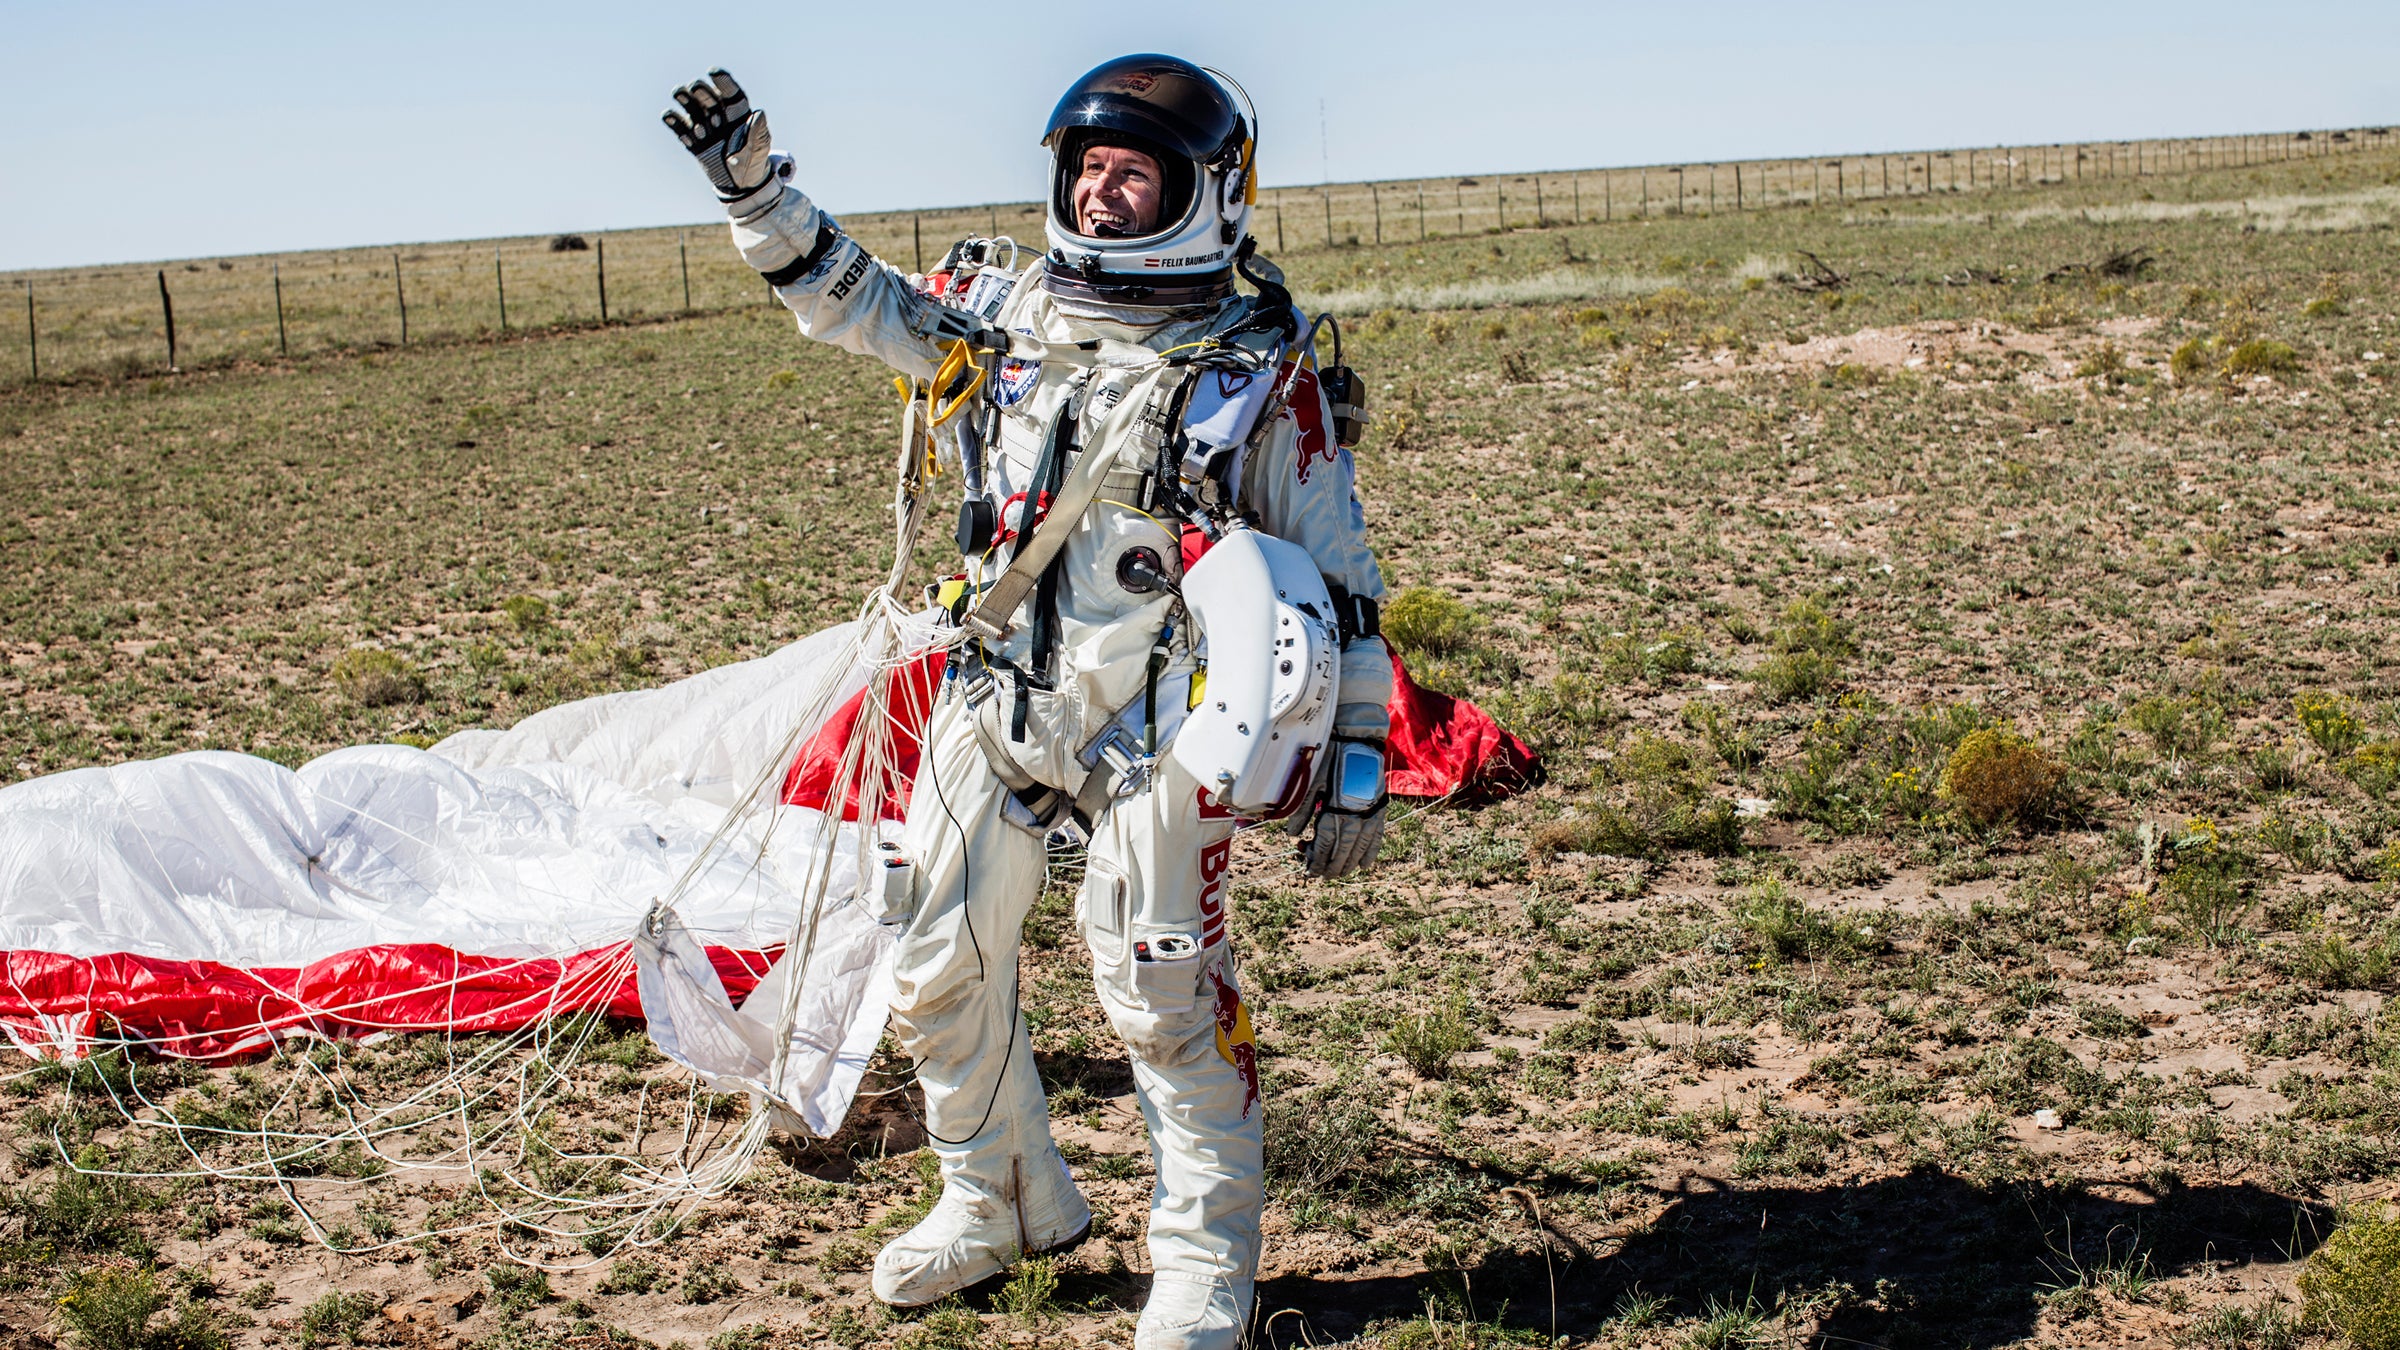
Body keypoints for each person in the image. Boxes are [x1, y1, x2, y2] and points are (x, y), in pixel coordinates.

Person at [663, 55, 1392, 1350]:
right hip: (1000, 686)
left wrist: (1356, 750)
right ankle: (1000, 1196)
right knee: (936, 958)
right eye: (1090, 171)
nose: (1105, 198)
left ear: (1207, 195)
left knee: (1159, 982)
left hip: (1164, 713)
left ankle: (1202, 1262)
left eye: (1136, 176)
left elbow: (1338, 567)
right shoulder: (995, 313)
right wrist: (757, 194)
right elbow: (852, 302)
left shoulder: (1255, 366)